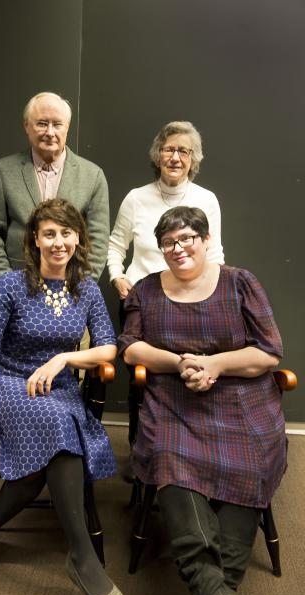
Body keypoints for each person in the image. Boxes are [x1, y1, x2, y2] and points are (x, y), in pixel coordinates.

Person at [0, 199, 126, 595]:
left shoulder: (85, 288)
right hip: (10, 386)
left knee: (52, 436)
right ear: (35, 238)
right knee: (59, 428)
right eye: (49, 233)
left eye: (66, 233)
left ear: (78, 237)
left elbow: (108, 349)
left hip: (60, 390)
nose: (59, 242)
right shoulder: (10, 285)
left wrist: (64, 357)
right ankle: (82, 558)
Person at [118, 206, 286, 595]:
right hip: (174, 399)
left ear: (206, 240)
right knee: (171, 459)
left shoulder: (239, 282)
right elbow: (130, 348)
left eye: (186, 238)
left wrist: (214, 364)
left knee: (250, 460)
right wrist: (180, 363)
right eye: (168, 243)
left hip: (241, 397)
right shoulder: (146, 289)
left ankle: (214, 590)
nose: (177, 249)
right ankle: (219, 592)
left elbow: (269, 352)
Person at [108, 121, 224, 447]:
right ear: (158, 154)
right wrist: (118, 276)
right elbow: (116, 245)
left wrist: (215, 296)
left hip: (192, 301)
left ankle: (189, 449)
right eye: (169, 149)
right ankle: (139, 450)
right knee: (141, 382)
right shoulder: (136, 198)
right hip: (141, 303)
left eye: (183, 151)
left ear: (193, 159)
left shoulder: (207, 200)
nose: (175, 157)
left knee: (187, 375)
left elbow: (214, 253)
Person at [0, 92, 109, 282]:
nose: (50, 132)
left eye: (57, 124)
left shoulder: (93, 175)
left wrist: (80, 288)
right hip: (17, 285)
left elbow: (98, 240)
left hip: (71, 290)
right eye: (42, 123)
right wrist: (6, 286)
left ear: (67, 127)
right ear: (26, 126)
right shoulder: (3, 171)